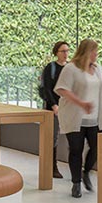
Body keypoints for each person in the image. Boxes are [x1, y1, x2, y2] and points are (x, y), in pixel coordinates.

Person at [54, 39, 102, 199]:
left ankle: (86, 173)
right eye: (94, 51)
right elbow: (62, 89)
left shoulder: (98, 69)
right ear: (86, 51)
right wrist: (81, 103)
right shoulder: (71, 68)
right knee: (76, 150)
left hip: (95, 118)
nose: (96, 54)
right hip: (75, 117)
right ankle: (76, 183)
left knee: (96, 147)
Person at [38, 41, 69, 180]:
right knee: (53, 138)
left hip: (68, 107)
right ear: (56, 52)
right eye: (63, 51)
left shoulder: (70, 68)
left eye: (67, 50)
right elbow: (47, 89)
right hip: (53, 109)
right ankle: (52, 167)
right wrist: (53, 105)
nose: (66, 53)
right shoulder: (50, 68)